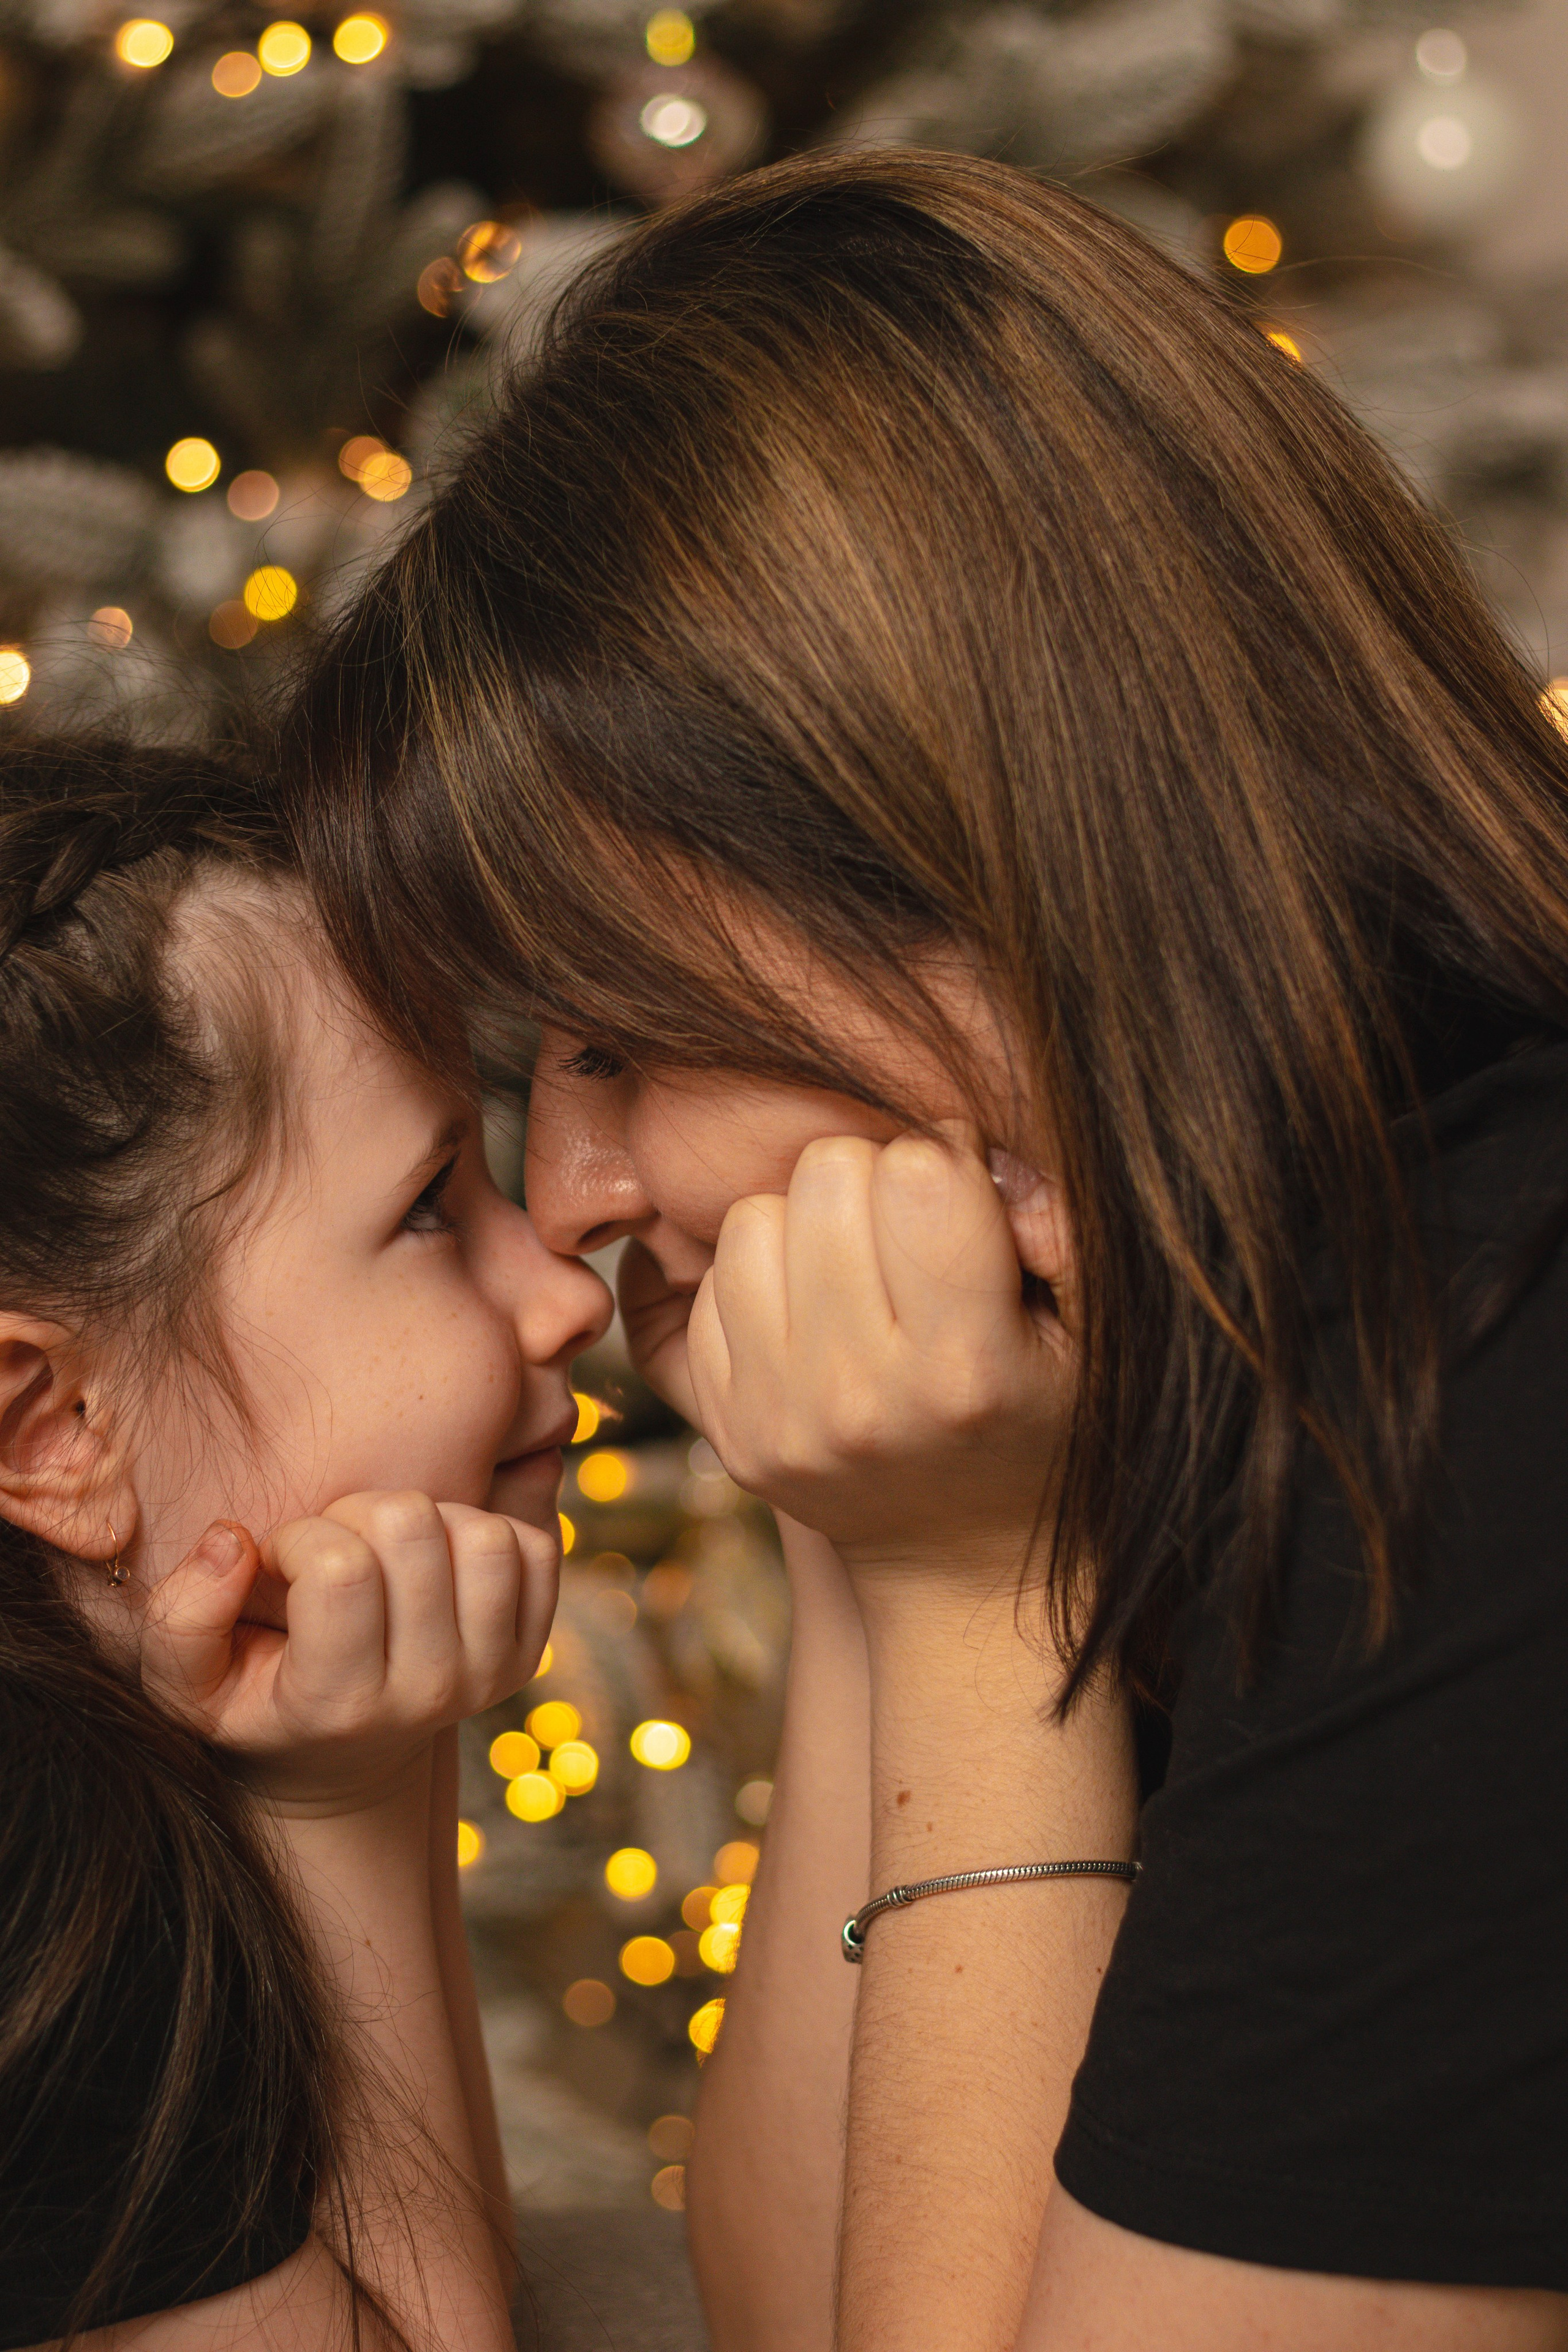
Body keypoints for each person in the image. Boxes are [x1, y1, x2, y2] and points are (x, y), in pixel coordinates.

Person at [284, 150, 1568, 2350]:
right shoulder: (1209, 1335)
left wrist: (980, 1604)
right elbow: (812, 2306)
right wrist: (884, 1546)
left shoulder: (1489, 1393)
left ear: (952, 845)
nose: (576, 1197)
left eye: (612, 1035)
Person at [0, 736, 609, 2348]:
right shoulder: (38, 1875)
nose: (567, 1293)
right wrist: (351, 1795)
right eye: (425, 1208)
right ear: (54, 1434)